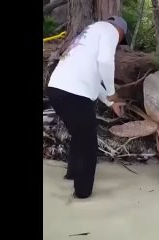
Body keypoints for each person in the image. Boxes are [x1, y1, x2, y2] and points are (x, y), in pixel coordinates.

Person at [46, 16, 128, 199]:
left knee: (79, 134)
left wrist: (110, 103)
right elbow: (106, 62)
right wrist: (113, 92)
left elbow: (94, 80)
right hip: (75, 94)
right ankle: (83, 194)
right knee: (89, 144)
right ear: (120, 32)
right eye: (121, 40)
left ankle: (72, 174)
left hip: (56, 90)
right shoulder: (109, 30)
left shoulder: (87, 36)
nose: (118, 43)